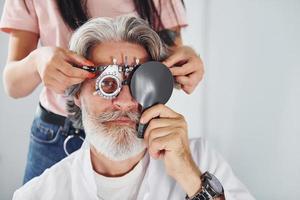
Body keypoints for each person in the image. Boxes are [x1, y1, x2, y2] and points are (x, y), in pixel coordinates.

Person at [12, 16, 254, 200]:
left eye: (141, 83)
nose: (126, 101)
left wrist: (190, 177)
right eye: (107, 83)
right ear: (76, 93)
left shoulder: (200, 159)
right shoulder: (39, 194)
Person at [0, 0, 204, 183]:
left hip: (135, 130)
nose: (123, 99)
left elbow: (173, 52)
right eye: (108, 83)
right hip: (58, 134)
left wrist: (186, 60)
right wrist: (36, 61)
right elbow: (13, 85)